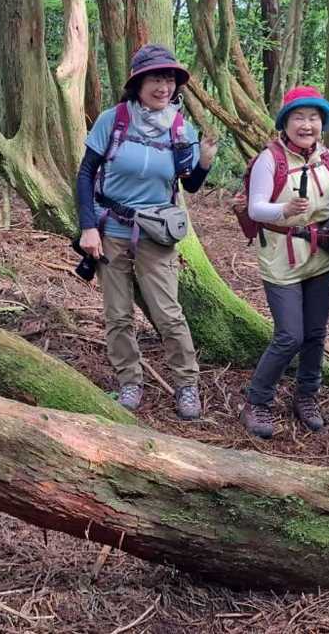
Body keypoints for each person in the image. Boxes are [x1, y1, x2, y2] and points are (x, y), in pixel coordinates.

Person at [75, 44, 217, 419]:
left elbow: (189, 185)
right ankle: (129, 381)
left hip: (156, 233)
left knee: (168, 314)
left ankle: (186, 385)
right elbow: (86, 173)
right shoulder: (114, 120)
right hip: (111, 230)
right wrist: (88, 227)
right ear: (138, 83)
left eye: (169, 79)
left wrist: (204, 162)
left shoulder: (181, 128)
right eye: (155, 78)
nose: (163, 86)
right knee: (118, 314)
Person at [239, 87, 329, 438]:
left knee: (315, 333)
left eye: (313, 118)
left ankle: (307, 396)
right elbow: (256, 208)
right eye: (299, 117)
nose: (306, 125)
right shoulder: (270, 159)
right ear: (285, 122)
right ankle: (257, 401)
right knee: (289, 335)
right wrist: (284, 210)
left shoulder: (326, 158)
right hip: (281, 256)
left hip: (321, 255)